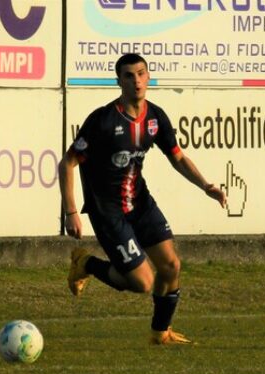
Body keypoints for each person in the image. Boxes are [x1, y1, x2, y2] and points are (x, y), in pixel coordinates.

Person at [58, 53, 226, 345]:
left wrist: (205, 186)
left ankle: (161, 333)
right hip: (108, 210)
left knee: (171, 266)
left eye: (141, 74)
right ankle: (86, 263)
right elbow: (68, 163)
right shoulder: (103, 120)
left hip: (140, 202)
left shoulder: (155, 117)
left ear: (148, 77)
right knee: (142, 283)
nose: (136, 80)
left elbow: (178, 158)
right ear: (118, 81)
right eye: (128, 75)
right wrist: (71, 210)